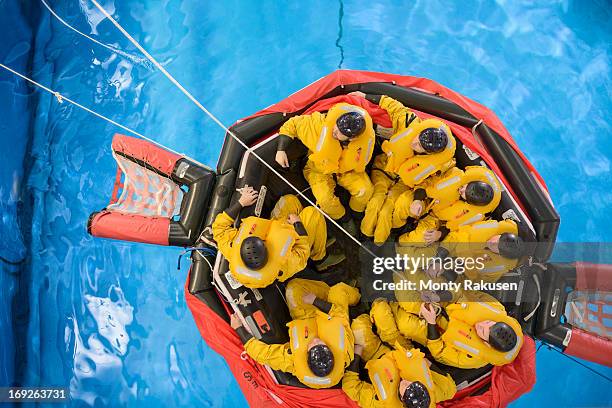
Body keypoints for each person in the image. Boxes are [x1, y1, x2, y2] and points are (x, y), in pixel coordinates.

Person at [231, 278, 360, 388]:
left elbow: (262, 354)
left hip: (305, 320)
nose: (315, 340)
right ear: (330, 350)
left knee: (293, 289)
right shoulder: (343, 348)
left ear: (306, 357)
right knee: (339, 290)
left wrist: (239, 329)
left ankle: (345, 294)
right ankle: (355, 295)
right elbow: (339, 313)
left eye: (313, 345)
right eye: (321, 344)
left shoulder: (294, 362)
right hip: (329, 316)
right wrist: (315, 301)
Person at [274, 102, 376, 235]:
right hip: (319, 168)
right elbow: (292, 124)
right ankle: (344, 218)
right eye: (336, 126)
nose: (334, 131)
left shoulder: (367, 140)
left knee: (365, 190)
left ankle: (356, 214)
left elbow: (362, 163)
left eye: (340, 132)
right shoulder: (319, 126)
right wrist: (280, 150)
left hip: (346, 171)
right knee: (325, 201)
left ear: (353, 138)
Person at [212, 187, 343, 288]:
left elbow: (218, 227)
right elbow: (302, 252)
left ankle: (317, 234)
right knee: (313, 213)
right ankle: (320, 258)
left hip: (275, 228)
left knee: (290, 200)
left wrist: (241, 202)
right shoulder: (282, 265)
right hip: (293, 240)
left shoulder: (231, 248)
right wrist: (297, 224)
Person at [342, 314, 456, 408]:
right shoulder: (441, 392)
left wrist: (357, 355)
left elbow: (351, 387)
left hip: (377, 354)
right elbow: (450, 387)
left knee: (359, 324)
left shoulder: (384, 404)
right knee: (382, 313)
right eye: (413, 383)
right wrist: (428, 363)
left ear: (402, 399)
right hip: (404, 349)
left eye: (405, 386)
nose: (407, 381)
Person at [349, 91, 456, 189]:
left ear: (428, 153)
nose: (414, 143)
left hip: (403, 185)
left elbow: (439, 178)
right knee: (374, 202)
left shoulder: (440, 163)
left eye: (419, 145)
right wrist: (365, 96)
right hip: (383, 166)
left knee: (388, 210)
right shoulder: (409, 123)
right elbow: (395, 107)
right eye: (418, 138)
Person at [393, 166, 502, 246]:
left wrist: (439, 234)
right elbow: (425, 183)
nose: (461, 189)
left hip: (435, 220)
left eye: (464, 193)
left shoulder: (475, 216)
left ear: (469, 202)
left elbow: (452, 229)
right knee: (403, 204)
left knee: (421, 239)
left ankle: (397, 241)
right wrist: (418, 200)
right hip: (425, 200)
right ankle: (394, 226)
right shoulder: (453, 173)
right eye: (465, 186)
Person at [421, 298, 523, 369]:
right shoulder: (497, 309)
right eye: (488, 322)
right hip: (447, 304)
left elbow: (439, 353)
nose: (480, 324)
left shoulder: (472, 359)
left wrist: (431, 322)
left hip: (432, 331)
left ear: (486, 344)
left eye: (482, 331)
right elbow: (473, 295)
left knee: (407, 322)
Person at [428, 218, 530, 283]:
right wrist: (439, 257)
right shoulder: (493, 228)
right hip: (444, 247)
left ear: (500, 254)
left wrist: (445, 270)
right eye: (498, 239)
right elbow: (458, 234)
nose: (493, 242)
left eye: (497, 247)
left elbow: (470, 279)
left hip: (456, 273)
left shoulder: (497, 268)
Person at [360, 154, 410, 245]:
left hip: (404, 181)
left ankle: (379, 242)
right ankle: (366, 234)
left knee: (386, 211)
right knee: (376, 201)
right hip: (383, 171)